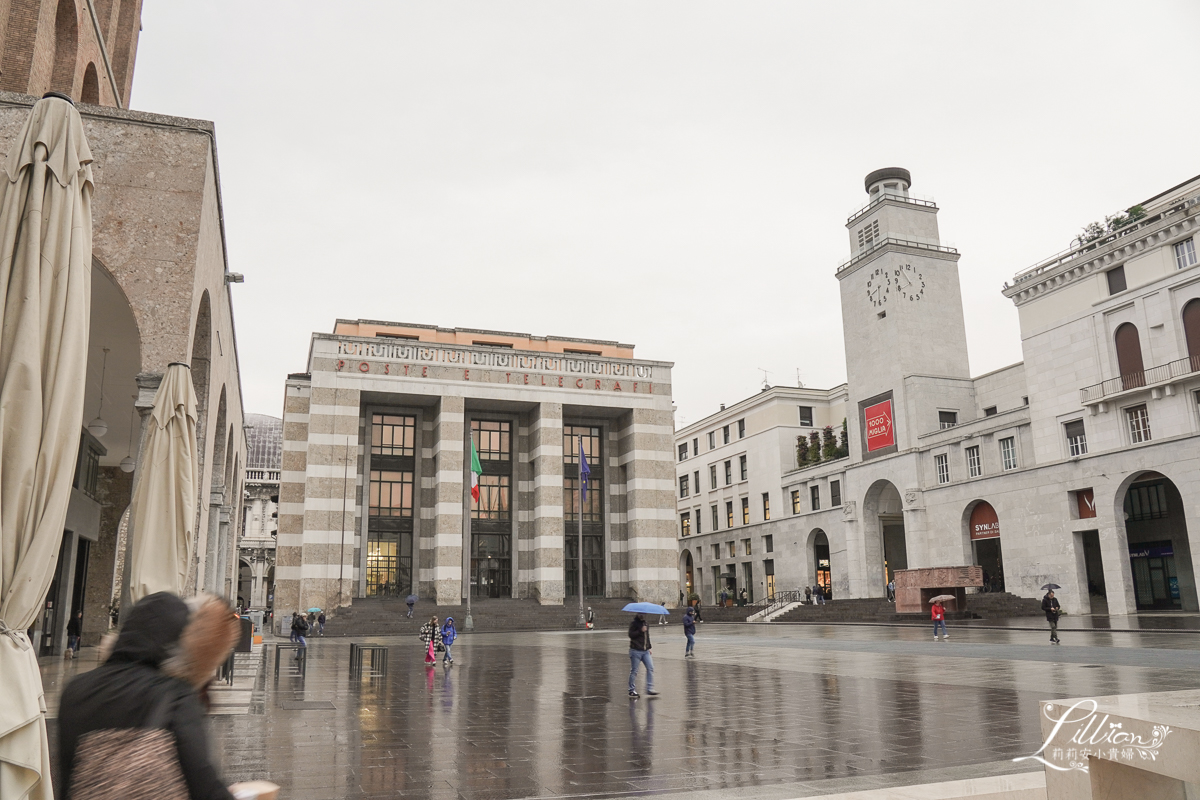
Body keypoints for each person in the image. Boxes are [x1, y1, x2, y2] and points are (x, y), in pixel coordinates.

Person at [58, 591, 242, 800]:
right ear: (176, 640)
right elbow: (201, 782)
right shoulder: (174, 694)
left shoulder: (74, 690)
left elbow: (68, 779)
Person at [627, 614, 657, 697]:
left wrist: (649, 647)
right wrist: (640, 630)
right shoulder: (634, 623)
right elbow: (631, 635)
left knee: (650, 668)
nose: (642, 615)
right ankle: (631, 690)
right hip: (635, 650)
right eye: (641, 614)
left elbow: (647, 637)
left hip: (645, 651)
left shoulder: (646, 623)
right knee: (634, 671)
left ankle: (650, 688)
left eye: (644, 614)